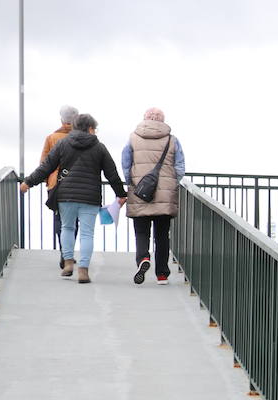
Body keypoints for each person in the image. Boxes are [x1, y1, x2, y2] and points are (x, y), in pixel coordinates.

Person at [22, 113, 127, 283]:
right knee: (87, 234)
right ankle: (83, 270)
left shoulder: (63, 143)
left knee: (67, 228)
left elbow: (46, 167)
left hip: (66, 195)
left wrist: (28, 182)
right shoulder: (99, 147)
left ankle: (68, 263)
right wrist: (121, 195)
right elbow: (112, 174)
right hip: (90, 197)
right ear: (91, 128)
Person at [121, 107, 184, 284]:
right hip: (165, 194)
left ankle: (143, 259)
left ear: (145, 119)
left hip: (140, 192)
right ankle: (162, 274)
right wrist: (170, 183)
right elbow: (180, 167)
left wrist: (132, 183)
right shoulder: (172, 140)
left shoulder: (132, 138)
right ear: (162, 120)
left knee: (141, 232)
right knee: (162, 235)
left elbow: (126, 163)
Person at [19, 104, 79, 266]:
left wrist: (42, 181)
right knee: (75, 220)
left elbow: (44, 163)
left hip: (56, 184)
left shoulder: (52, 138)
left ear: (62, 119)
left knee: (59, 218)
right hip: (79, 183)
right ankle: (69, 251)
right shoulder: (82, 137)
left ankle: (64, 252)